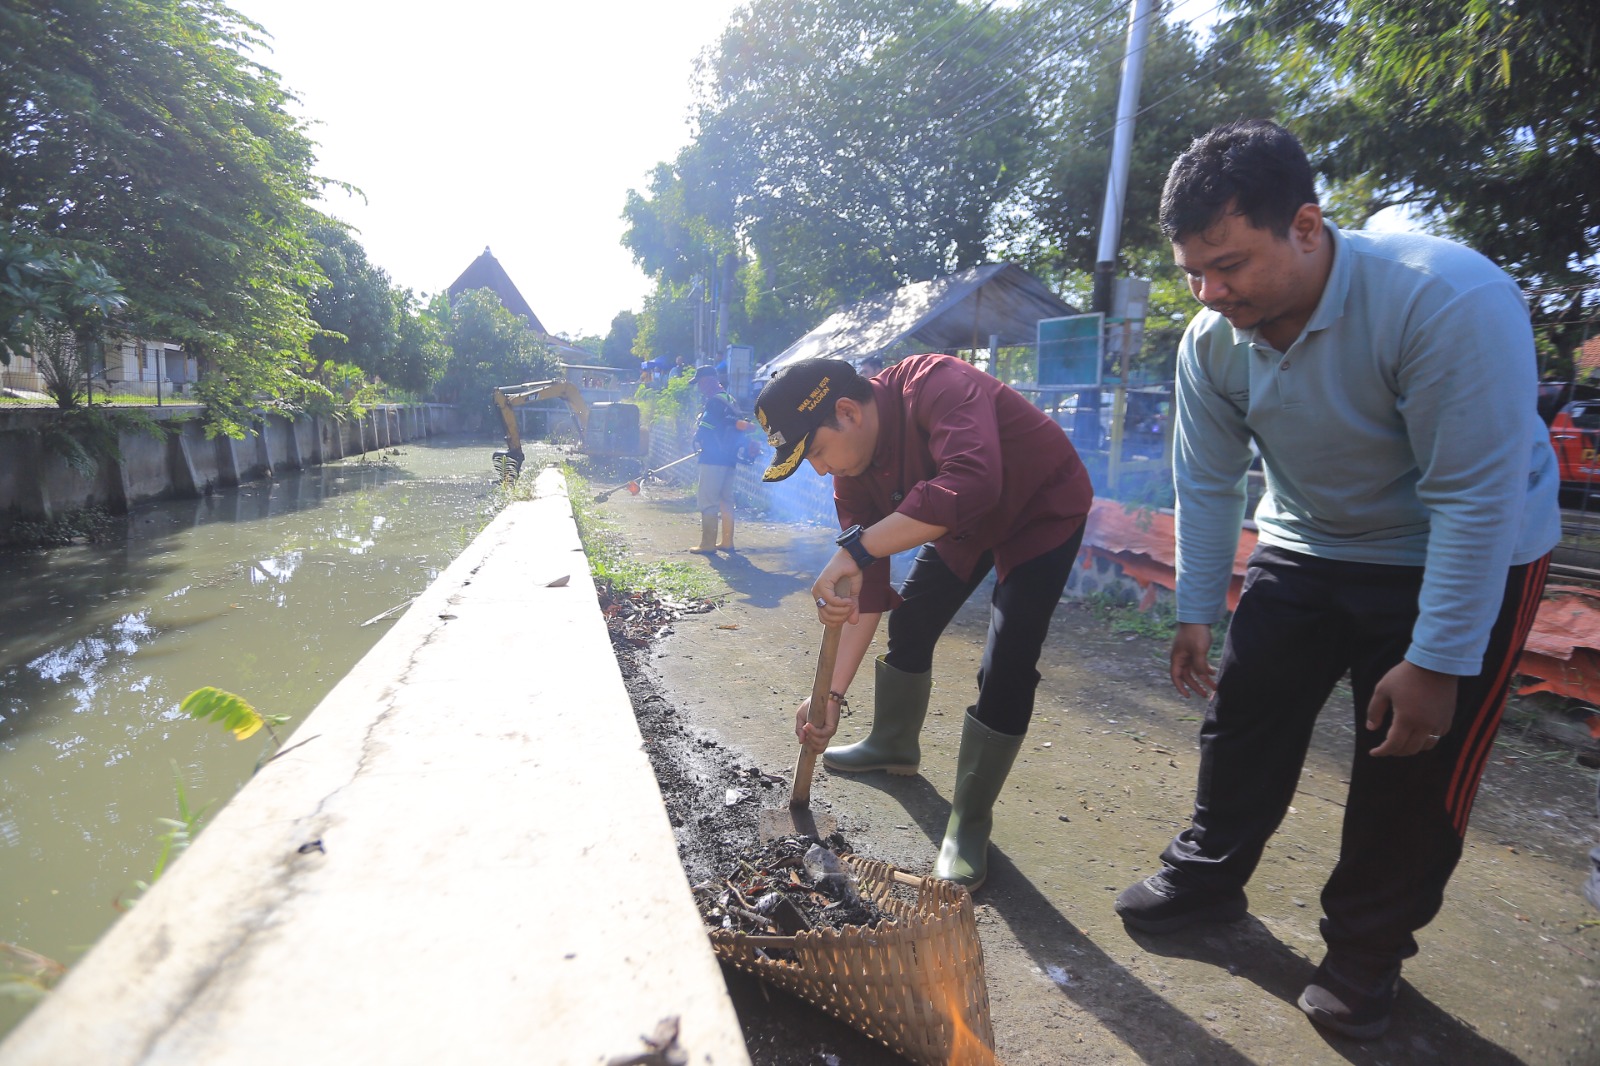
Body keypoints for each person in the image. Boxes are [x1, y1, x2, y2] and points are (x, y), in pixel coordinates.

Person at [1113, 120, 1560, 1040]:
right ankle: (1205, 876)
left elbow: (1474, 499)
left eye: (1230, 264)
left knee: (1409, 757)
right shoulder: (1213, 340)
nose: (1210, 291)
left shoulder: (1444, 302)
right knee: (1246, 711)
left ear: (1308, 226)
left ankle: (1367, 951)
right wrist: (1197, 607)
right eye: (1194, 271)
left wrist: (1438, 660)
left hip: (1462, 545)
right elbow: (1206, 480)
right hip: (1309, 540)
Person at [753, 354, 1093, 889]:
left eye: (816, 451)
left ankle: (969, 821)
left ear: (848, 412)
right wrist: (829, 698)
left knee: (1007, 660)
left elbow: (973, 483)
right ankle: (893, 744)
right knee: (909, 623)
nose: (820, 469)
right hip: (962, 525)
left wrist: (857, 550)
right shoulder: (854, 473)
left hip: (1038, 507)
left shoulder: (938, 384)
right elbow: (867, 593)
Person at [689, 365, 751, 553]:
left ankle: (707, 544)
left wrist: (696, 439)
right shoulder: (730, 399)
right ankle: (727, 542)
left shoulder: (714, 402)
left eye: (699, 383)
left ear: (707, 381)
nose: (699, 388)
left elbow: (705, 428)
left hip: (712, 459)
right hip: (730, 459)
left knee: (708, 501)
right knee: (726, 500)